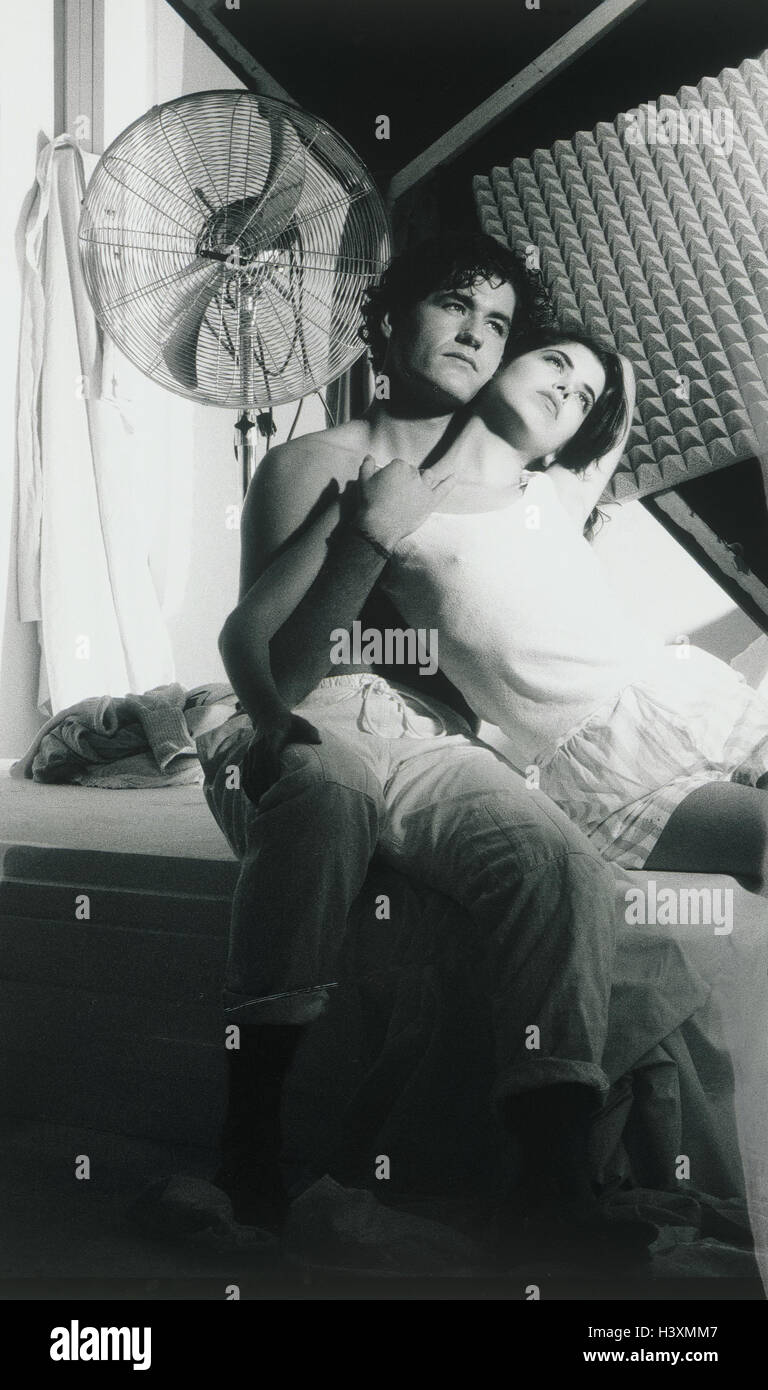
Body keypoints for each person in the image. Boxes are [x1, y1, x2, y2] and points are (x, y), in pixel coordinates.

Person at [200, 235, 638, 1266]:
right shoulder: (313, 464)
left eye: (499, 325)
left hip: (426, 734)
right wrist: (367, 535)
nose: (476, 335)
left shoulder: (513, 478)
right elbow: (275, 665)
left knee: (562, 862)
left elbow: (596, 428)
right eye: (454, 305)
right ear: (390, 319)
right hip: (298, 706)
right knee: (324, 792)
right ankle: (248, 1138)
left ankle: (554, 1174)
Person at [377, 324, 768, 891]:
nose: (566, 389)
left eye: (584, 396)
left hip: (688, 699)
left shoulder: (553, 495)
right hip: (603, 768)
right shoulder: (399, 509)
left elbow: (622, 381)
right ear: (502, 362)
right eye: (555, 363)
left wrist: (595, 371)